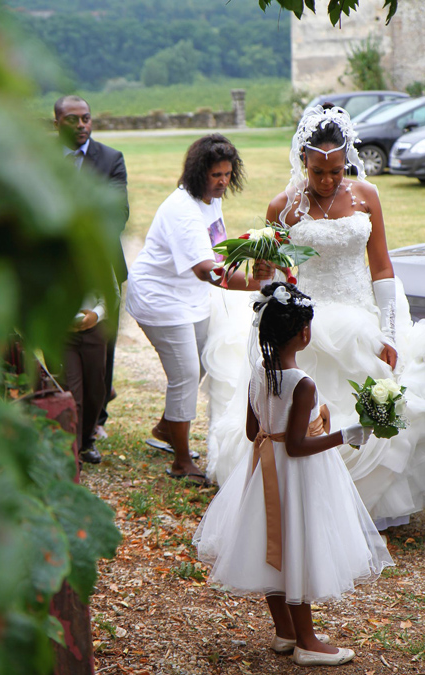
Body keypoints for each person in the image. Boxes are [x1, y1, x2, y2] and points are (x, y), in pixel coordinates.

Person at [204, 105, 425, 529]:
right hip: (307, 322)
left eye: (336, 171)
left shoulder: (367, 196)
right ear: (302, 159)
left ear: (347, 160)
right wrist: (266, 276)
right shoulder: (282, 207)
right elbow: (277, 281)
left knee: (378, 397)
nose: (327, 181)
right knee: (302, 408)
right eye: (318, 171)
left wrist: (388, 332)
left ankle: (364, 505)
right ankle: (307, 502)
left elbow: (381, 267)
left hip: (360, 315)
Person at [193, 282, 393, 666]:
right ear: (304, 332)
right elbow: (297, 446)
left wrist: (281, 432)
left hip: (264, 473)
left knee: (271, 549)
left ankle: (285, 631)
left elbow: (253, 432)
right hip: (298, 478)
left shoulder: (259, 372)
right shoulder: (302, 383)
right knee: (297, 548)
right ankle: (307, 642)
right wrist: (345, 435)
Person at [124, 134, 271, 483]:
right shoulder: (183, 211)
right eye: (215, 175)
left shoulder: (210, 199)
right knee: (186, 374)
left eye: (227, 174)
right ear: (197, 173)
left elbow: (217, 251)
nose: (222, 182)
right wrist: (258, 283)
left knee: (201, 361)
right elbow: (208, 271)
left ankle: (166, 426)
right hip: (159, 299)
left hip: (191, 297)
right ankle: (181, 461)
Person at [54, 95, 128, 463]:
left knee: (100, 353)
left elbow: (117, 213)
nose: (82, 124)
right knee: (62, 356)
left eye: (86, 118)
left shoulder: (110, 159)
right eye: (73, 119)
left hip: (101, 267)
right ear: (57, 123)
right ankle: (65, 424)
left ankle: (95, 423)